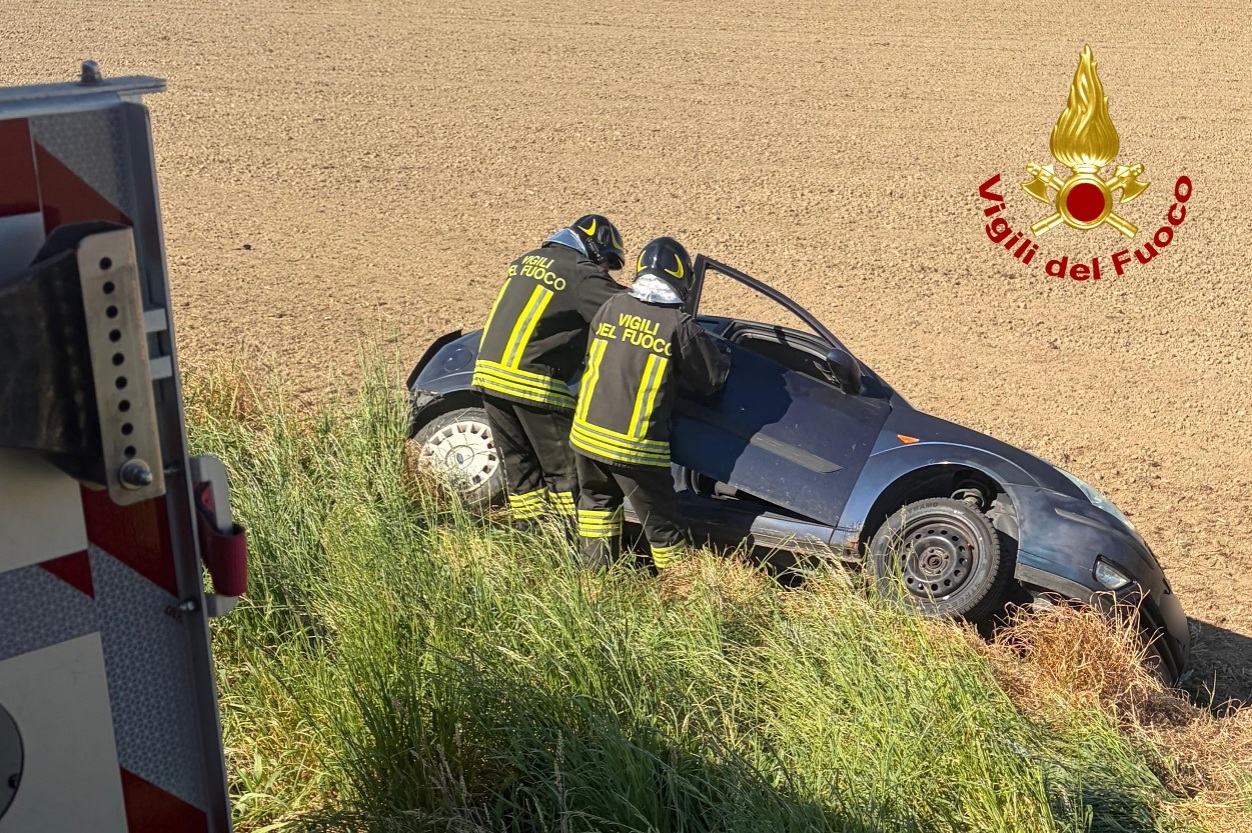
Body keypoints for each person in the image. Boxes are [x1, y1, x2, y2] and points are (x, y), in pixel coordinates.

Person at [570, 236, 731, 569]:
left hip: (586, 435)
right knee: (662, 525)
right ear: (681, 279)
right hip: (634, 447)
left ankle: (595, 580)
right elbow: (712, 379)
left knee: (596, 508)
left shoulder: (612, 306)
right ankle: (678, 586)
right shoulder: (678, 325)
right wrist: (722, 353)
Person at [470, 215, 626, 529]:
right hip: (533, 382)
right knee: (567, 473)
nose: (606, 270)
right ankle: (570, 543)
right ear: (595, 248)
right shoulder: (580, 272)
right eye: (607, 263)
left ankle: (532, 541)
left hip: (489, 376)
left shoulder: (527, 261)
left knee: (521, 472)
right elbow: (627, 313)